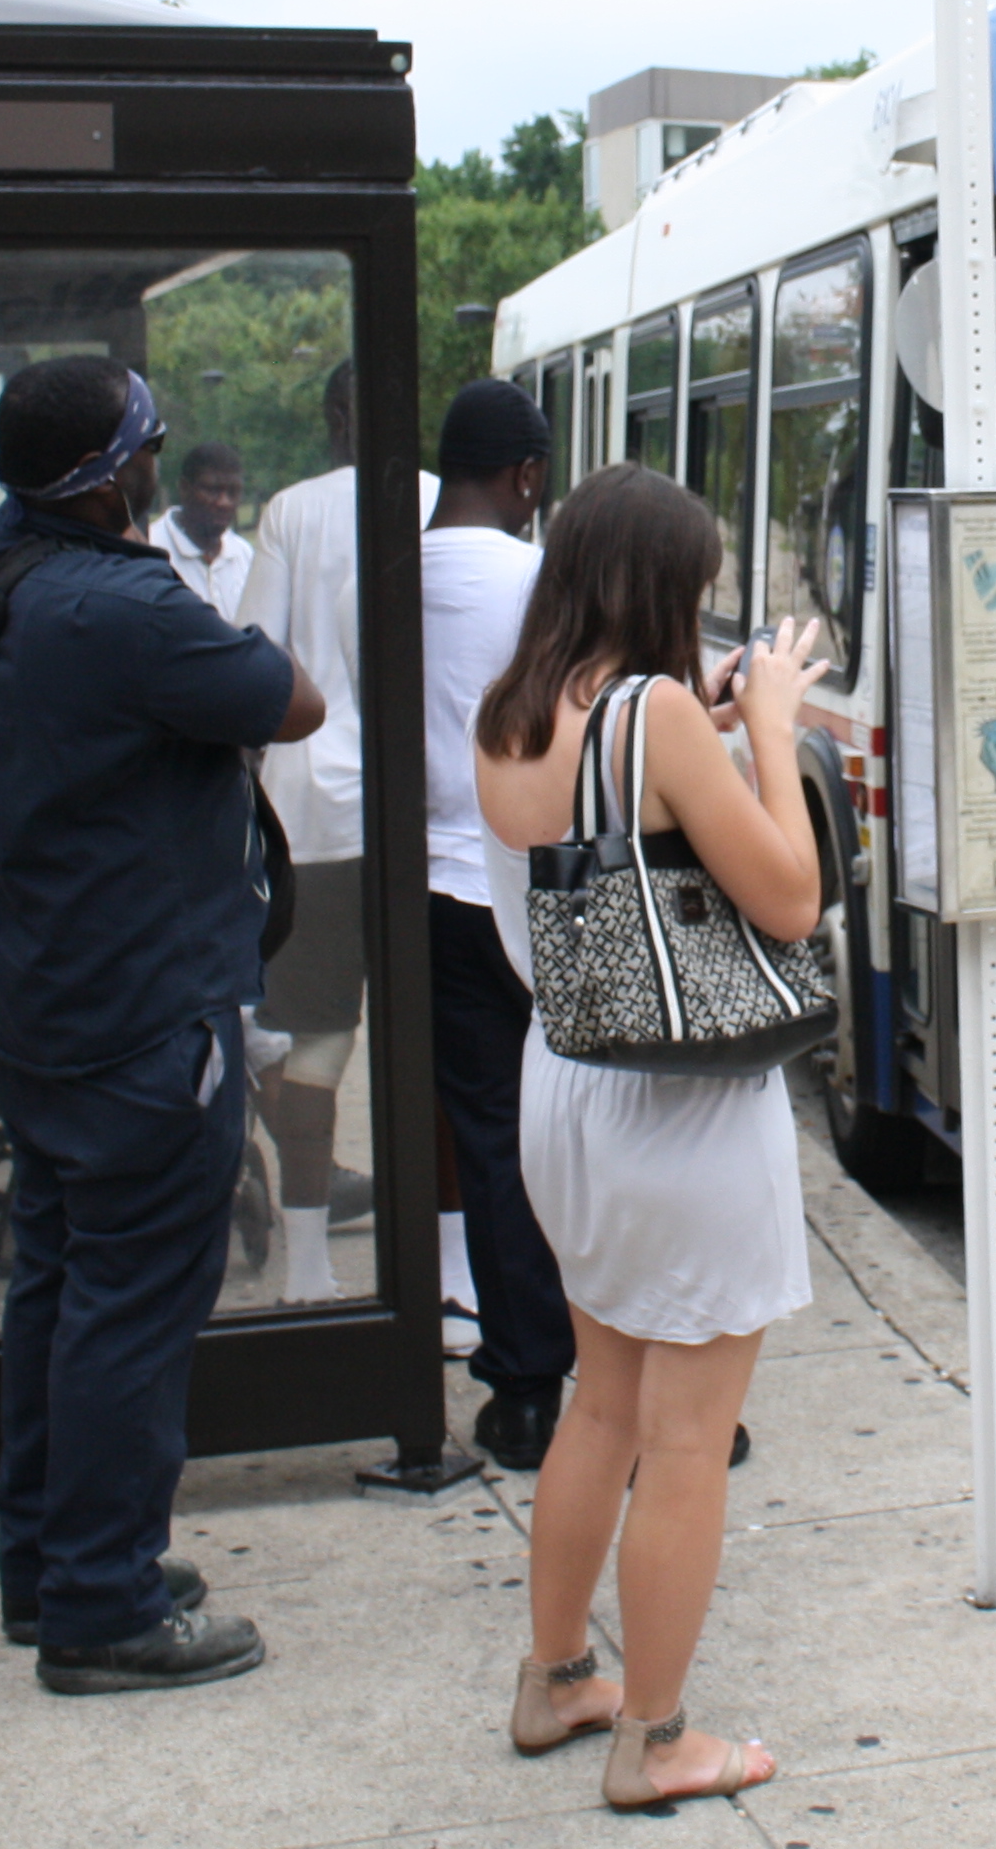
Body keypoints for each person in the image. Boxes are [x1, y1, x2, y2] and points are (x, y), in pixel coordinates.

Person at [0, 356, 320, 1695]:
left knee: (60, 1287)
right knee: (132, 1314)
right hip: (143, 1019)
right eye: (146, 450)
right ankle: (103, 1605)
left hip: (27, 1007)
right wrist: (150, 567)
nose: (162, 466)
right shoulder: (135, 611)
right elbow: (293, 701)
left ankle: (53, 1563)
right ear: (115, 479)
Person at [473, 464, 823, 1811]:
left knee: (602, 1401)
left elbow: (613, 817)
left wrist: (709, 720)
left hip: (565, 1080)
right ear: (661, 585)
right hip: (682, 1101)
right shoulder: (661, 714)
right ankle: (659, 1738)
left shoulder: (511, 714)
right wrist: (771, 730)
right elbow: (787, 898)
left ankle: (558, 1677)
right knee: (688, 1433)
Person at [235, 363, 434, 1304]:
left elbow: (255, 656)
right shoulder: (442, 503)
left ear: (334, 421)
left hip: (308, 816)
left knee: (312, 1044)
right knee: (431, 1046)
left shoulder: (289, 512)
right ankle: (454, 1273)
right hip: (425, 819)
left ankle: (306, 1270)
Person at [420, 379, 571, 1468]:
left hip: (429, 890)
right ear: (523, 476)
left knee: (488, 1136)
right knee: (589, 1130)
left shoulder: (387, 579)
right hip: (539, 882)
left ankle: (522, 1390)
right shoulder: (541, 580)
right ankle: (637, 1377)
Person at [148, 440, 254, 622]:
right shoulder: (151, 550)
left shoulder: (243, 555)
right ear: (184, 488)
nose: (224, 502)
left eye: (233, 492)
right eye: (213, 490)